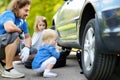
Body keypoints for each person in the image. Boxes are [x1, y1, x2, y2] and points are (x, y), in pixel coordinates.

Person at [0, 0, 32, 78]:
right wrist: (20, 31)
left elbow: (28, 37)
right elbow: (9, 28)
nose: (27, 13)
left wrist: (27, 48)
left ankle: (3, 62)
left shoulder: (23, 21)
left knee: (33, 52)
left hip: (4, 46)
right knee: (14, 34)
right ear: (17, 8)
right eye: (26, 10)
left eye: (28, 11)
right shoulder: (8, 14)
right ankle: (8, 69)